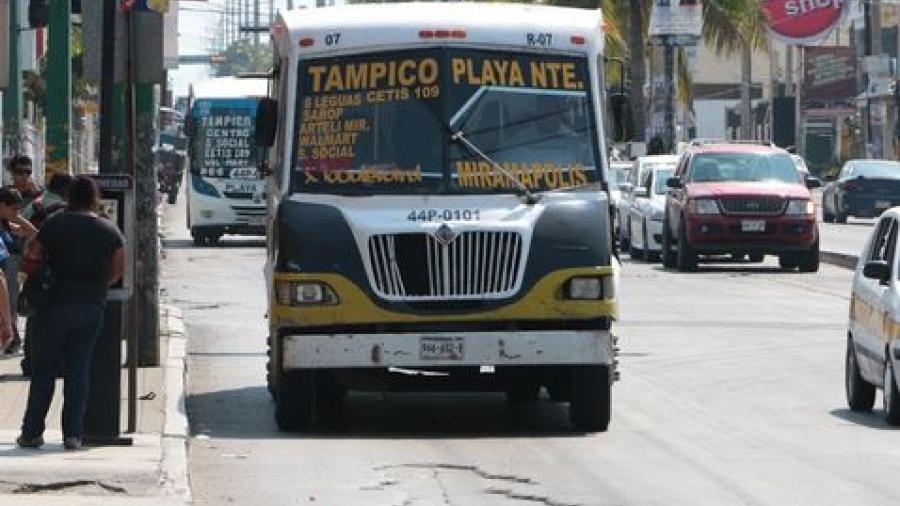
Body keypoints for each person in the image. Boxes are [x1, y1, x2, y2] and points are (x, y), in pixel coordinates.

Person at [17, 176, 125, 451]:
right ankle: (73, 435)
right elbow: (118, 268)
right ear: (94, 198)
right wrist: (99, 286)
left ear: (69, 197)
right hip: (90, 308)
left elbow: (33, 252)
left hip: (54, 306)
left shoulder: (55, 223)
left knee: (45, 370)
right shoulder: (107, 229)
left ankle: (32, 432)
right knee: (79, 370)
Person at [18, 173, 74, 373]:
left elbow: (18, 226)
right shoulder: (68, 210)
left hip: (34, 268)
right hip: (60, 270)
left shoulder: (36, 205)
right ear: (65, 190)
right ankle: (57, 363)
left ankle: (31, 362)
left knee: (35, 315)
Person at [0, 189, 37, 354]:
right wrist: (7, 322)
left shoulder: (5, 225)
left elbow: (33, 232)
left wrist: (15, 216)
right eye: (14, 208)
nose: (17, 212)